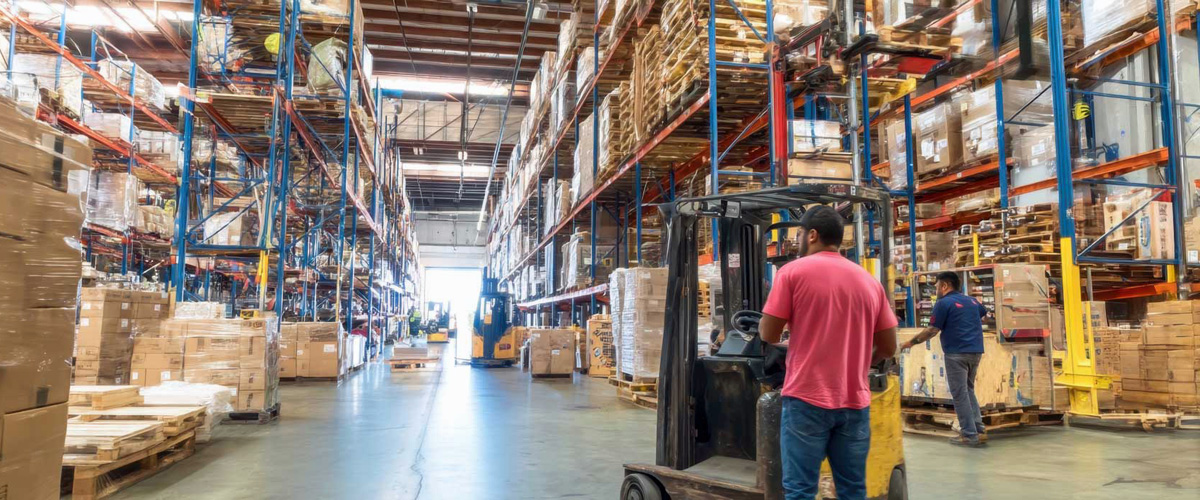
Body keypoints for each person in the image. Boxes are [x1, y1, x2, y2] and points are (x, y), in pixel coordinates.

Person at [760, 206, 898, 500]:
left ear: (811, 235)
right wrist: (860, 364)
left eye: (798, 234)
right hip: (854, 402)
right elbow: (888, 347)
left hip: (806, 400)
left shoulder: (791, 273)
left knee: (800, 490)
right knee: (852, 490)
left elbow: (768, 334)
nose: (797, 240)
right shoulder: (870, 282)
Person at [899, 271, 989, 447]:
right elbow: (980, 313)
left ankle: (969, 434)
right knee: (968, 390)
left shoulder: (943, 303)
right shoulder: (971, 301)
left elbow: (932, 330)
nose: (936, 290)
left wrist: (911, 342)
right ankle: (978, 429)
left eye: (937, 286)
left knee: (959, 394)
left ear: (945, 286)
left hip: (956, 353)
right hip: (975, 351)